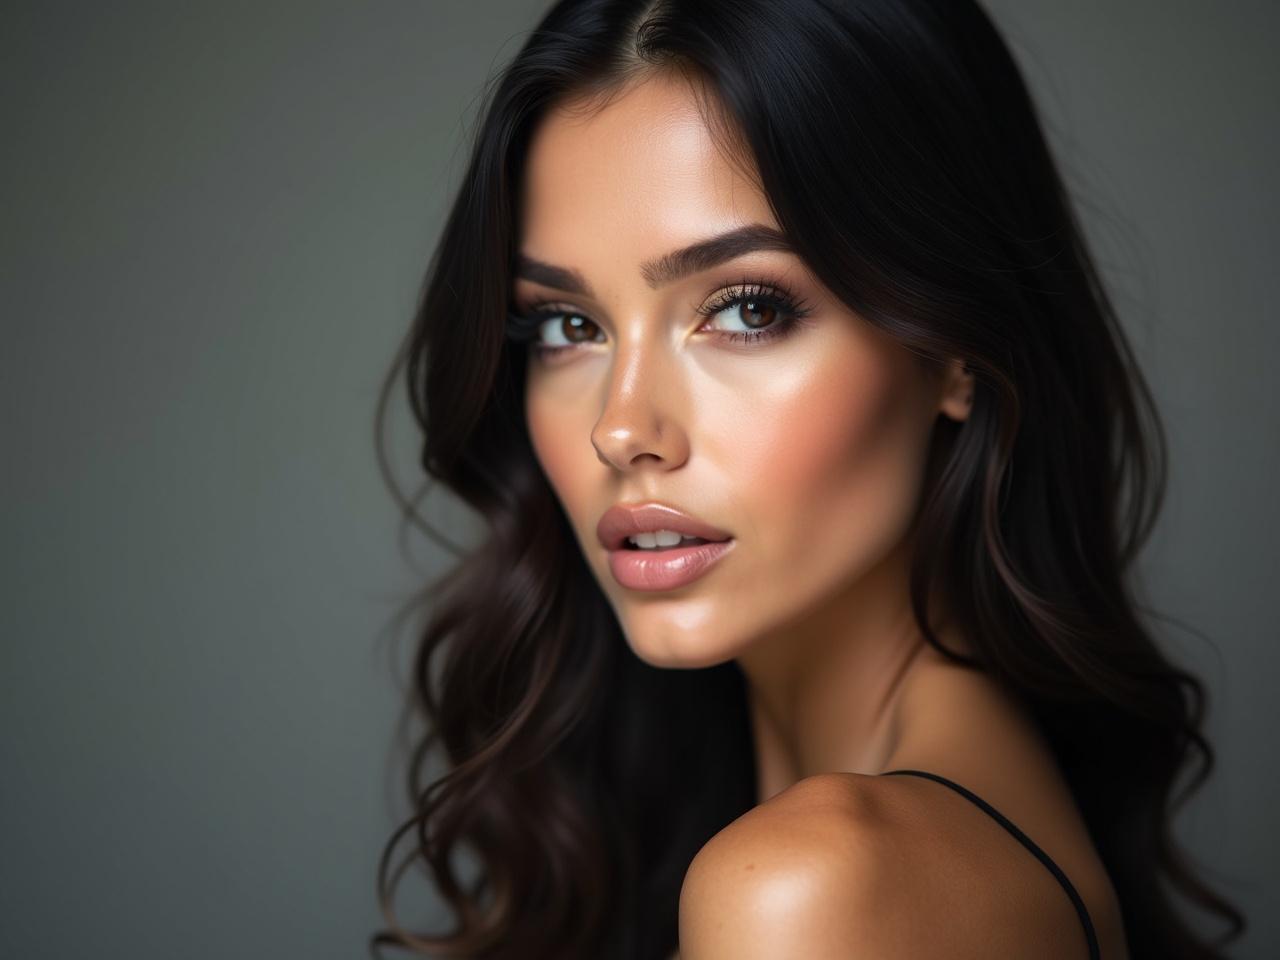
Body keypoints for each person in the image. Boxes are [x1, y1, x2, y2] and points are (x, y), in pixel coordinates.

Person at [371, 1, 1246, 958]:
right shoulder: (938, 842)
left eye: (745, 310)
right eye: (566, 326)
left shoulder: (813, 890)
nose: (622, 428)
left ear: (955, 347)